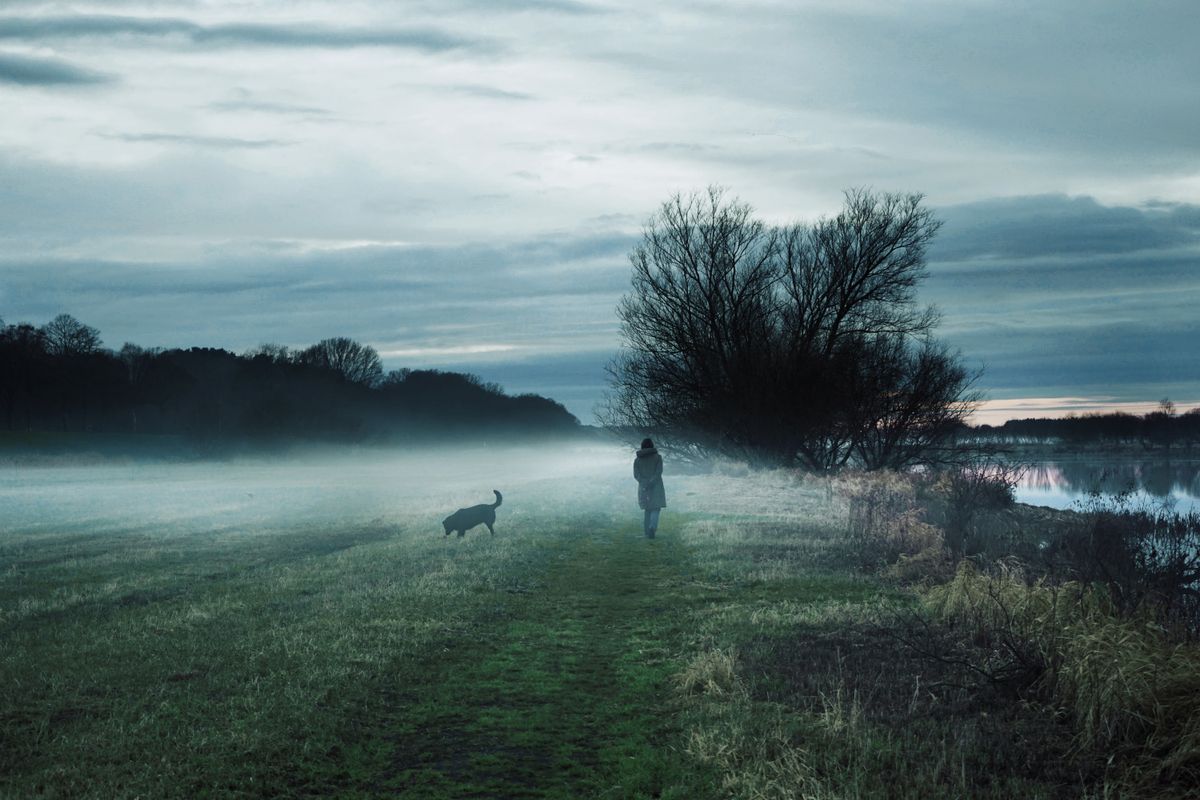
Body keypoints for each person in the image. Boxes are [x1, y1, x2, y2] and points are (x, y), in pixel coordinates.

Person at [633, 437, 666, 538]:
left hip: (643, 487)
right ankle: (652, 527)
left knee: (647, 509)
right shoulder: (658, 457)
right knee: (655, 508)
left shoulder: (637, 460)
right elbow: (659, 472)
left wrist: (644, 482)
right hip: (656, 486)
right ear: (652, 445)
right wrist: (652, 481)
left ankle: (647, 531)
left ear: (642, 446)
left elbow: (636, 475)